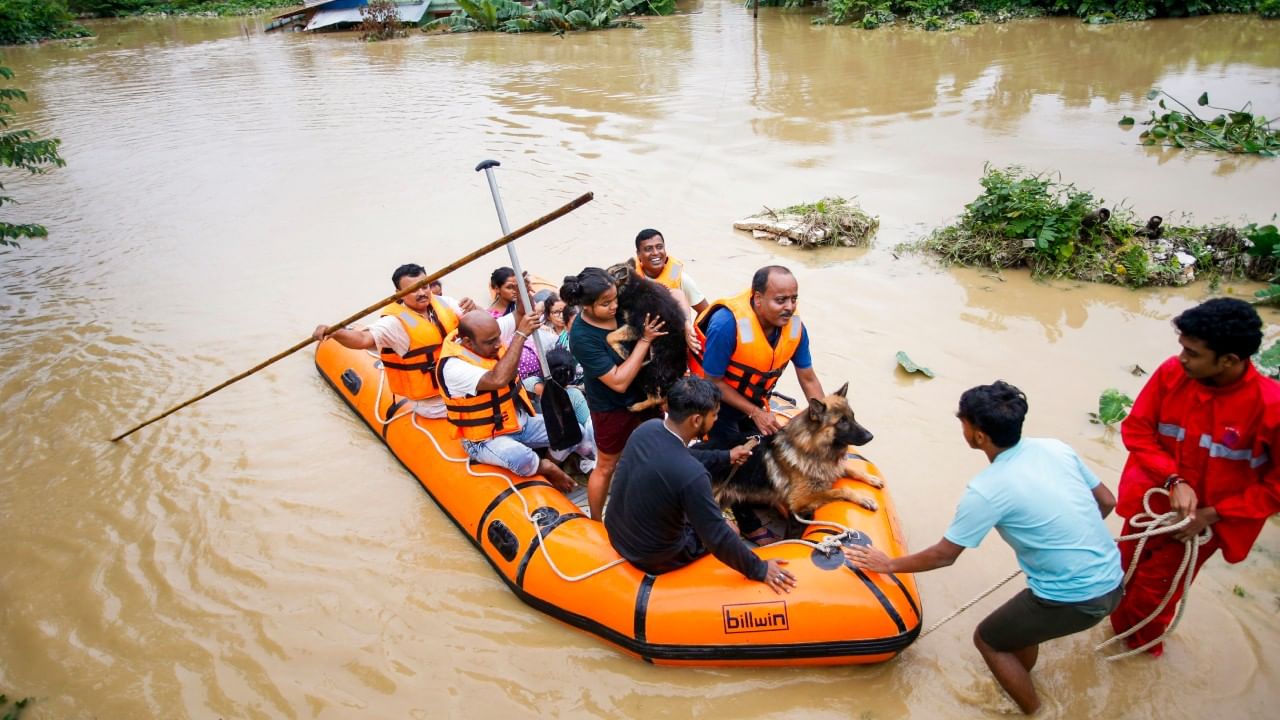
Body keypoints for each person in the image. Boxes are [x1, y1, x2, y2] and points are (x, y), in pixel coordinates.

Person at [845, 381, 1123, 715]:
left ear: (978, 435)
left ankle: (1035, 711)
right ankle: (1020, 677)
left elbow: (944, 556)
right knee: (1017, 629)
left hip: (1074, 599)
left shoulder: (987, 490)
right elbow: (1107, 501)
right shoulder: (1056, 448)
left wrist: (887, 564)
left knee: (988, 640)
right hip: (1114, 582)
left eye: (963, 421)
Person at [1111, 298, 1280, 656]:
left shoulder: (1270, 407)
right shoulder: (1172, 374)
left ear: (1229, 360)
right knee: (1119, 577)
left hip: (1198, 528)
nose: (1182, 358)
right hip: (1152, 506)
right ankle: (1117, 643)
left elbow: (1276, 487)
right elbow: (1138, 430)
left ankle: (1140, 658)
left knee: (1152, 598)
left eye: (1192, 352)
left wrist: (1211, 514)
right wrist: (1174, 480)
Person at [606, 377, 797, 592]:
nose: (716, 419)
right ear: (697, 420)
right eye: (714, 415)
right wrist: (760, 569)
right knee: (731, 529)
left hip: (617, 533)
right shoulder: (693, 476)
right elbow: (716, 536)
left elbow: (682, 455)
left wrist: (726, 456)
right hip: (653, 556)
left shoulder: (647, 429)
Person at [692, 265, 824, 543]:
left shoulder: (796, 328)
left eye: (793, 299)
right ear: (757, 298)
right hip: (716, 402)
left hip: (755, 398)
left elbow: (809, 379)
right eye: (780, 300)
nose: (789, 307)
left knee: (772, 449)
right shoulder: (727, 325)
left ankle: (770, 498)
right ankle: (749, 525)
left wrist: (824, 422)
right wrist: (756, 413)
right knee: (734, 458)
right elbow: (712, 381)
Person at [436, 308, 594, 494]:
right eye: (491, 342)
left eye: (498, 338)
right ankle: (547, 469)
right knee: (522, 458)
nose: (497, 344)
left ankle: (556, 466)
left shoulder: (488, 333)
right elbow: (498, 379)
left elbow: (520, 313)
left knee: (575, 432)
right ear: (468, 342)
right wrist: (520, 334)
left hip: (519, 422)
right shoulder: (453, 367)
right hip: (486, 438)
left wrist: (521, 292)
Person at [562, 267, 668, 519]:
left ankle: (653, 506)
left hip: (644, 396)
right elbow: (618, 382)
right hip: (612, 405)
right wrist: (644, 341)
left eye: (615, 299)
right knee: (607, 465)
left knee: (656, 452)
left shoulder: (621, 307)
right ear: (586, 306)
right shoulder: (582, 336)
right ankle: (596, 520)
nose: (613, 307)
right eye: (605, 303)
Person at [312, 263, 476, 418]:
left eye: (424, 286)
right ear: (399, 293)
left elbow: (481, 326)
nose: (422, 293)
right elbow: (362, 339)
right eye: (413, 289)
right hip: (435, 403)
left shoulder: (444, 302)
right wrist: (334, 333)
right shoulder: (394, 323)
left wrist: (474, 308)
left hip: (460, 384)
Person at [635, 228, 708, 350]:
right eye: (648, 249)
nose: (655, 253)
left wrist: (691, 332)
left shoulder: (681, 279)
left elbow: (705, 311)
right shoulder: (632, 281)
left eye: (659, 247)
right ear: (638, 254)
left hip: (673, 344)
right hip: (643, 342)